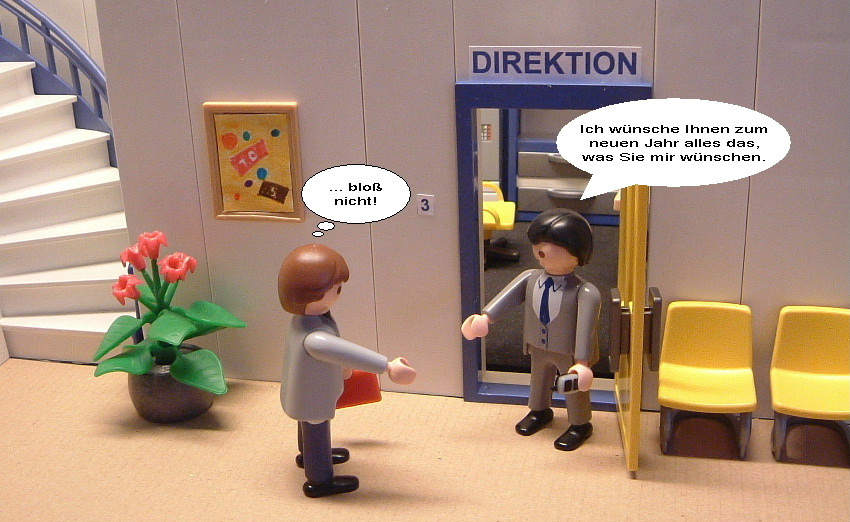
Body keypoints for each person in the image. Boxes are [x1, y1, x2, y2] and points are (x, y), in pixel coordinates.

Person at [279, 244, 416, 498]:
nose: (339, 294)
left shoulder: (304, 321)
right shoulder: (315, 338)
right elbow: (347, 352)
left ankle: (308, 455)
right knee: (316, 428)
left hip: (304, 390)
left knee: (308, 425)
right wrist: (386, 366)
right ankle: (320, 478)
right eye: (336, 289)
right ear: (312, 295)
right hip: (312, 395)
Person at [462, 209, 601, 451]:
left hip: (568, 350)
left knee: (573, 387)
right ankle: (539, 411)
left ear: (576, 251)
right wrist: (487, 317)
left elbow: (586, 327)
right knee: (538, 380)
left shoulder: (585, 292)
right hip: (537, 344)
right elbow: (507, 298)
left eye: (550, 245)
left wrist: (583, 361)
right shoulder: (530, 277)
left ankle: (580, 424)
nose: (540, 250)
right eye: (538, 244)